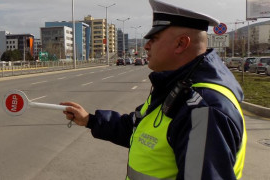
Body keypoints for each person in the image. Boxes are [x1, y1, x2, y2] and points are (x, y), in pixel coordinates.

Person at [61, 0, 247, 179]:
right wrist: (90, 120)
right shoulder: (177, 86)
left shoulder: (204, 109)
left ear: (181, 43)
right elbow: (137, 128)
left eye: (154, 38)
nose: (146, 45)